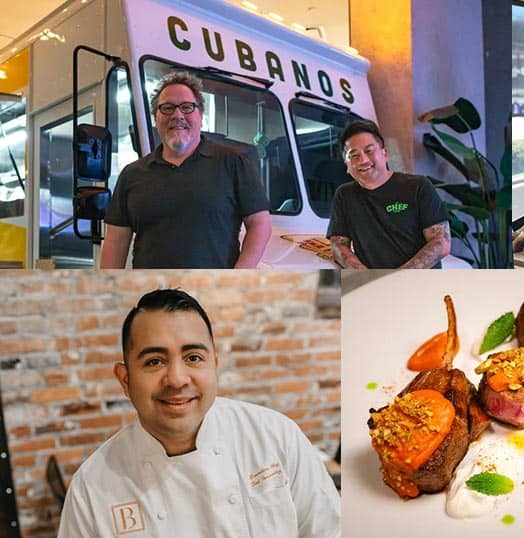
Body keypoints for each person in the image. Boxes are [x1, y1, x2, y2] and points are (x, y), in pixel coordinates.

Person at [57, 289, 340, 538]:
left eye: (193, 358)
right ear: (125, 379)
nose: (177, 379)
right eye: (154, 361)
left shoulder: (276, 436)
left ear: (214, 365)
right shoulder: (92, 488)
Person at [100, 72, 272, 268]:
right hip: (151, 294)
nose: (177, 115)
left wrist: (239, 277)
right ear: (156, 118)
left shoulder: (234, 163)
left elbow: (260, 224)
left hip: (214, 293)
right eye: (167, 108)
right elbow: (115, 241)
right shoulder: (132, 174)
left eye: (186, 107)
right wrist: (108, 291)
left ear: (200, 115)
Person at [326, 119, 451, 268]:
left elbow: (441, 242)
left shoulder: (418, 186)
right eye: (354, 155)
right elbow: (338, 245)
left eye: (369, 151)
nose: (363, 160)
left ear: (384, 154)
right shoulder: (345, 195)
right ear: (347, 165)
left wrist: (398, 278)